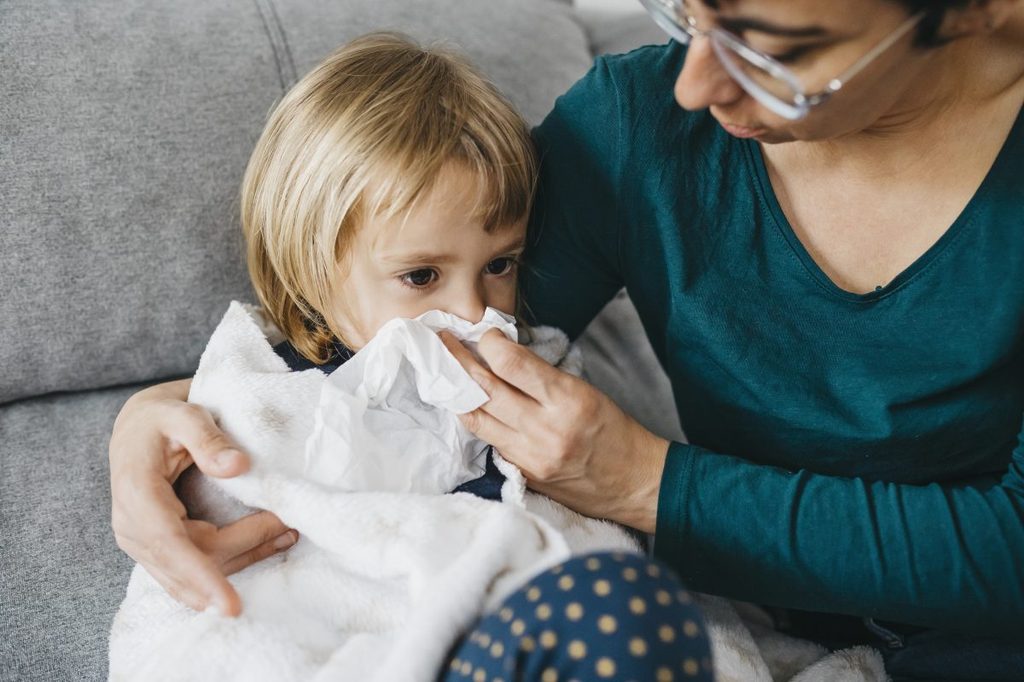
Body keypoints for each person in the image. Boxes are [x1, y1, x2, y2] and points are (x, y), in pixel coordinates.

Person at [110, 0, 1024, 678]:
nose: (695, 84)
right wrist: (162, 418)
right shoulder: (641, 127)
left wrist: (644, 482)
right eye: (688, 13)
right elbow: (395, 328)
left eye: (771, 50)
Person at [111, 31, 713, 681]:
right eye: (422, 276)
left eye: (500, 264)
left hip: (510, 642)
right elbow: (230, 557)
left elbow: (588, 527)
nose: (475, 312)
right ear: (312, 272)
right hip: (346, 651)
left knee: (628, 608)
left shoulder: (535, 372)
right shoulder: (265, 394)